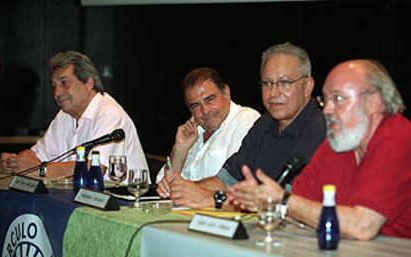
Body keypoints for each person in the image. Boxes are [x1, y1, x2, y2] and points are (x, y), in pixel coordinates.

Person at [230, 59, 411, 240]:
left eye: (338, 99)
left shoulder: (399, 138)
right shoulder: (338, 144)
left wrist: (283, 200)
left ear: (373, 102)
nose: (327, 110)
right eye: (326, 100)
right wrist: (264, 200)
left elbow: (362, 227)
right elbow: (301, 208)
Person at [161, 42, 326, 208]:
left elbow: (284, 201)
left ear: (307, 86)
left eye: (284, 83)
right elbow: (225, 181)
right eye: (267, 83)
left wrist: (213, 200)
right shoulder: (264, 123)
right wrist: (185, 189)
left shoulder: (321, 128)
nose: (274, 93)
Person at [0, 50, 149, 178]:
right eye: (54, 86)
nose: (57, 93)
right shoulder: (64, 116)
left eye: (64, 83)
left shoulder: (109, 113)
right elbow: (36, 155)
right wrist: (15, 162)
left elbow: (95, 169)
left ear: (88, 83)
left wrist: (39, 170)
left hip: (123, 203)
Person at [156, 67, 260, 196]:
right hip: (182, 210)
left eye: (210, 99)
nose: (205, 110)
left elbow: (234, 181)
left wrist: (183, 189)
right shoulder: (193, 132)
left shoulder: (245, 118)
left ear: (226, 93)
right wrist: (180, 149)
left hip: (219, 213)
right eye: (195, 105)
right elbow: (160, 185)